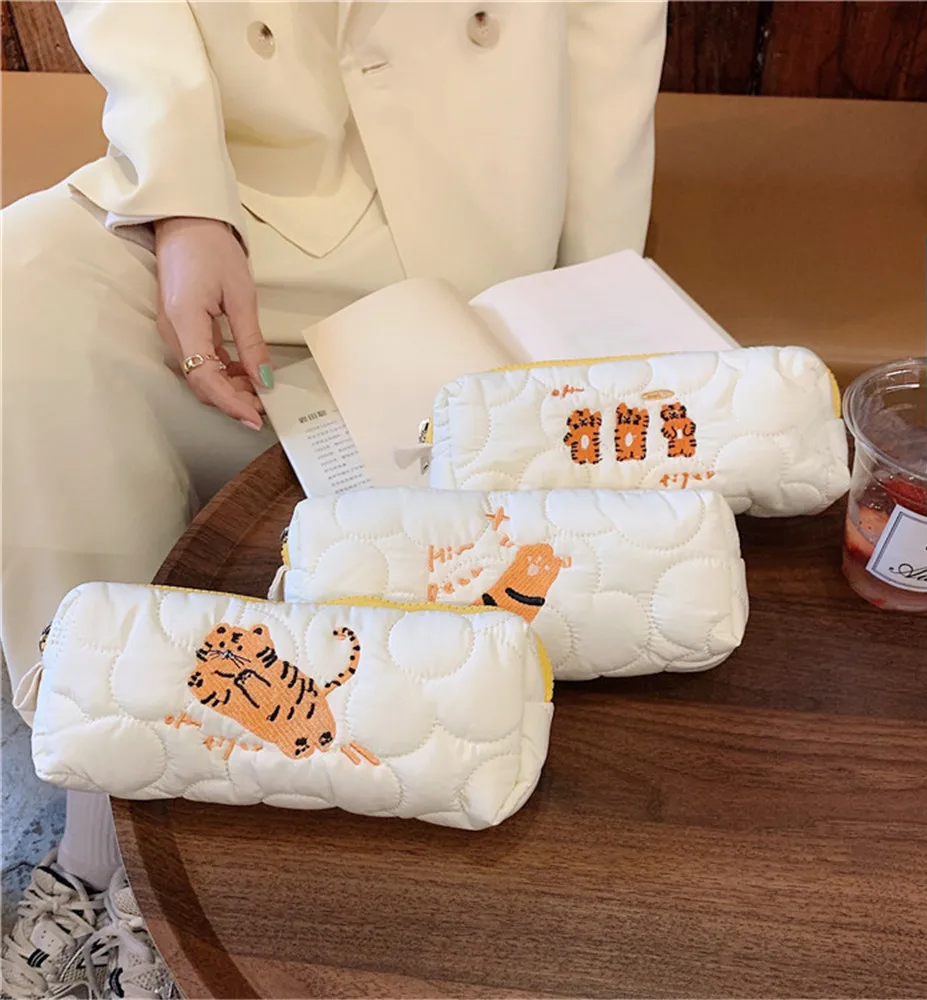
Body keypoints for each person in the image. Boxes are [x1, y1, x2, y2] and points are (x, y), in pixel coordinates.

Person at [0, 2, 666, 996]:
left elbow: (612, 25)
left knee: (458, 576)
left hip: (484, 211)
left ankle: (176, 861)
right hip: (231, 174)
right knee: (22, 299)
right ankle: (107, 847)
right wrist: (183, 198)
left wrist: (588, 304)